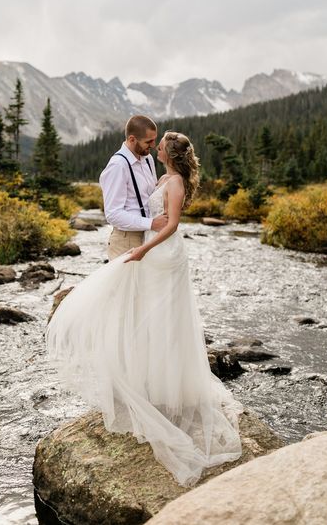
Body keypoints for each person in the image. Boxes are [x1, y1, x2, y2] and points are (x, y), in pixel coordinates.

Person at [46, 131, 242, 487]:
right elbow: (140, 210)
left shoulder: (176, 180)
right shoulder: (161, 174)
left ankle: (168, 391)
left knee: (166, 320)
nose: (156, 147)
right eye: (153, 143)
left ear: (170, 152)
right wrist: (142, 245)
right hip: (151, 251)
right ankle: (150, 385)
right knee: (149, 319)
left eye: (161, 144)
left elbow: (172, 224)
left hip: (163, 255)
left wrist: (142, 251)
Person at [100, 115, 168, 260]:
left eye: (154, 139)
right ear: (132, 139)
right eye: (148, 141)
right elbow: (113, 214)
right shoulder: (118, 165)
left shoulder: (148, 159)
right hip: (126, 241)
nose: (153, 145)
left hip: (149, 238)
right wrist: (151, 223)